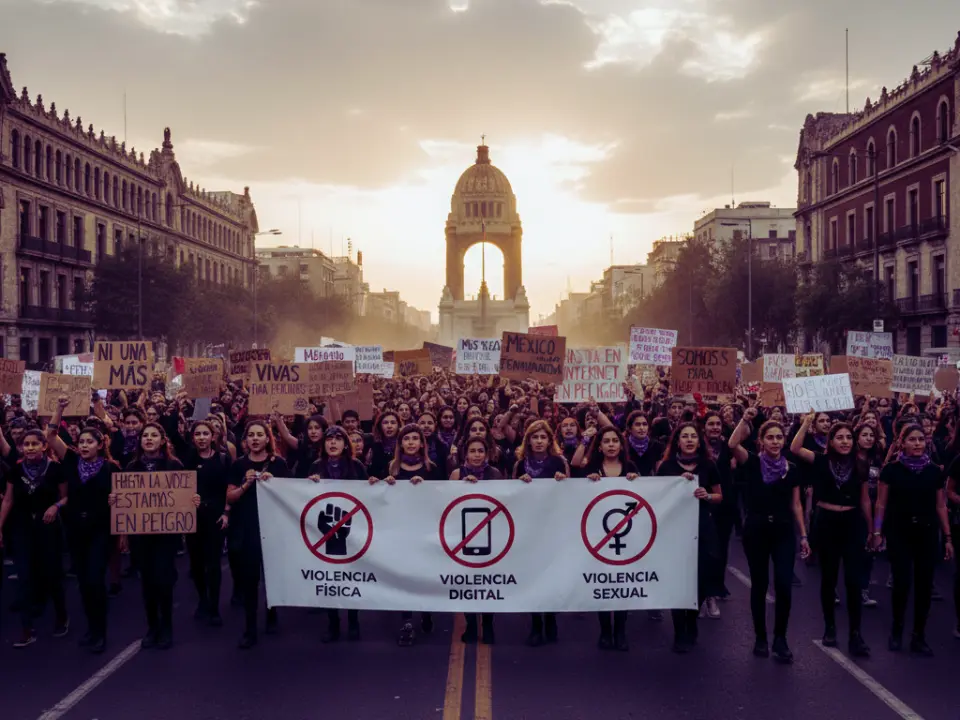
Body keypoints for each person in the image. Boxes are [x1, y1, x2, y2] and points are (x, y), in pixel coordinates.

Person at [729, 408, 809, 664]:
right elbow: (733, 444)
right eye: (770, 437)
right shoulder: (752, 462)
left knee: (784, 584)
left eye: (779, 437)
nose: (775, 441)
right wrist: (746, 418)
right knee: (760, 584)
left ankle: (780, 639)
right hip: (757, 530)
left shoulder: (792, 468)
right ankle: (761, 638)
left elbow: (796, 504)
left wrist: (804, 536)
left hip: (783, 531)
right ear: (761, 441)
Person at [790, 416, 872, 657]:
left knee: (854, 581)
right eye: (840, 438)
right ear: (831, 441)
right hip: (826, 523)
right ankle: (830, 628)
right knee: (829, 578)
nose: (845, 441)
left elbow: (865, 500)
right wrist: (807, 422)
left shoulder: (860, 464)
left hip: (852, 524)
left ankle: (856, 634)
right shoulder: (820, 460)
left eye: (849, 437)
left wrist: (874, 529)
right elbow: (795, 448)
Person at [112, 422, 199, 650]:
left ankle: (166, 626)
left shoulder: (174, 465)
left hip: (166, 535)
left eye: (153, 435)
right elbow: (126, 502)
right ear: (140, 441)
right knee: (147, 582)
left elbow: (183, 498)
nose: (149, 439)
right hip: (141, 536)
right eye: (145, 436)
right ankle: (152, 627)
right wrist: (116, 501)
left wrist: (192, 500)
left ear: (162, 441)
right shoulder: (131, 468)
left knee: (164, 580)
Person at [46, 399, 120, 654]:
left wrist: (116, 500)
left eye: (90, 441)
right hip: (77, 531)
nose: (85, 445)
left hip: (100, 531)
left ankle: (100, 632)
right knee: (84, 583)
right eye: (82, 442)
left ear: (100, 445)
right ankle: (91, 628)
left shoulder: (111, 469)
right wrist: (59, 409)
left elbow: (124, 501)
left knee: (95, 580)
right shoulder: (70, 461)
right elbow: (51, 436)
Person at [874, 423, 954, 655]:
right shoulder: (891, 470)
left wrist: (947, 537)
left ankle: (919, 635)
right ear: (902, 442)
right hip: (899, 532)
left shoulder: (934, 471)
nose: (917, 444)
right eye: (912, 440)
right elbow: (881, 504)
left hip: (927, 533)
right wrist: (877, 532)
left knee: (924, 586)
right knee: (901, 583)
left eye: (920, 439)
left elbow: (941, 505)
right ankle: (897, 631)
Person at [656, 422, 722, 653]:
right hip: (675, 530)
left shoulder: (708, 465)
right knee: (677, 580)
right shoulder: (666, 467)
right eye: (685, 436)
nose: (690, 440)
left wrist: (707, 495)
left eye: (693, 436)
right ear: (677, 441)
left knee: (700, 579)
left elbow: (719, 496)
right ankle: (679, 630)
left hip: (702, 528)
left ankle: (692, 620)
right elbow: (657, 497)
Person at [0, 428, 69, 647]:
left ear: (44, 446)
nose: (30, 448)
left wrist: (56, 506)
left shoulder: (55, 469)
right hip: (22, 528)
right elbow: (8, 500)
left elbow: (66, 497)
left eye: (34, 444)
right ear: (21, 448)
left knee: (52, 574)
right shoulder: (15, 470)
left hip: (47, 527)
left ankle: (61, 616)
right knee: (24, 576)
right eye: (26, 444)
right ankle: (27, 628)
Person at [226, 420, 290, 649]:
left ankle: (272, 613)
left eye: (259, 435)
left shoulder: (279, 464)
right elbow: (230, 497)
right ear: (245, 440)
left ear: (267, 438)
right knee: (250, 580)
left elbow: (291, 496)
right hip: (247, 528)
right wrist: (246, 483)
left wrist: (274, 484)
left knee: (270, 577)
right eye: (251, 435)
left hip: (272, 528)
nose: (255, 439)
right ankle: (250, 628)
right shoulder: (239, 465)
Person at [580, 425, 638, 651]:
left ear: (621, 445)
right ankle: (605, 630)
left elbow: (641, 497)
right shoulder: (592, 468)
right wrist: (588, 481)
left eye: (615, 441)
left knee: (622, 584)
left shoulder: (630, 467)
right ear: (600, 446)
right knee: (603, 584)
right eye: (607, 441)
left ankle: (620, 631)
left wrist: (636, 480)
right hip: (598, 535)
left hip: (625, 536)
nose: (611, 445)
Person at [307, 426, 367, 643]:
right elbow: (303, 496)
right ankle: (333, 623)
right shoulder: (316, 466)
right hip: (325, 527)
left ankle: (353, 620)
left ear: (345, 444)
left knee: (350, 576)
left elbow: (368, 495)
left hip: (350, 527)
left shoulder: (356, 466)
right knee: (330, 577)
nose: (333, 443)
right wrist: (310, 483)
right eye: (329, 439)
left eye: (338, 439)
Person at [512, 420, 569, 647]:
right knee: (532, 576)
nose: (538, 441)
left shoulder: (558, 462)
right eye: (534, 437)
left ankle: (551, 618)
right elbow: (512, 495)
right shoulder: (520, 465)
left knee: (550, 574)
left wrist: (563, 482)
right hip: (528, 528)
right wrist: (519, 484)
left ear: (549, 440)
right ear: (528, 440)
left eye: (543, 437)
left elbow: (569, 493)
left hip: (552, 526)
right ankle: (536, 624)